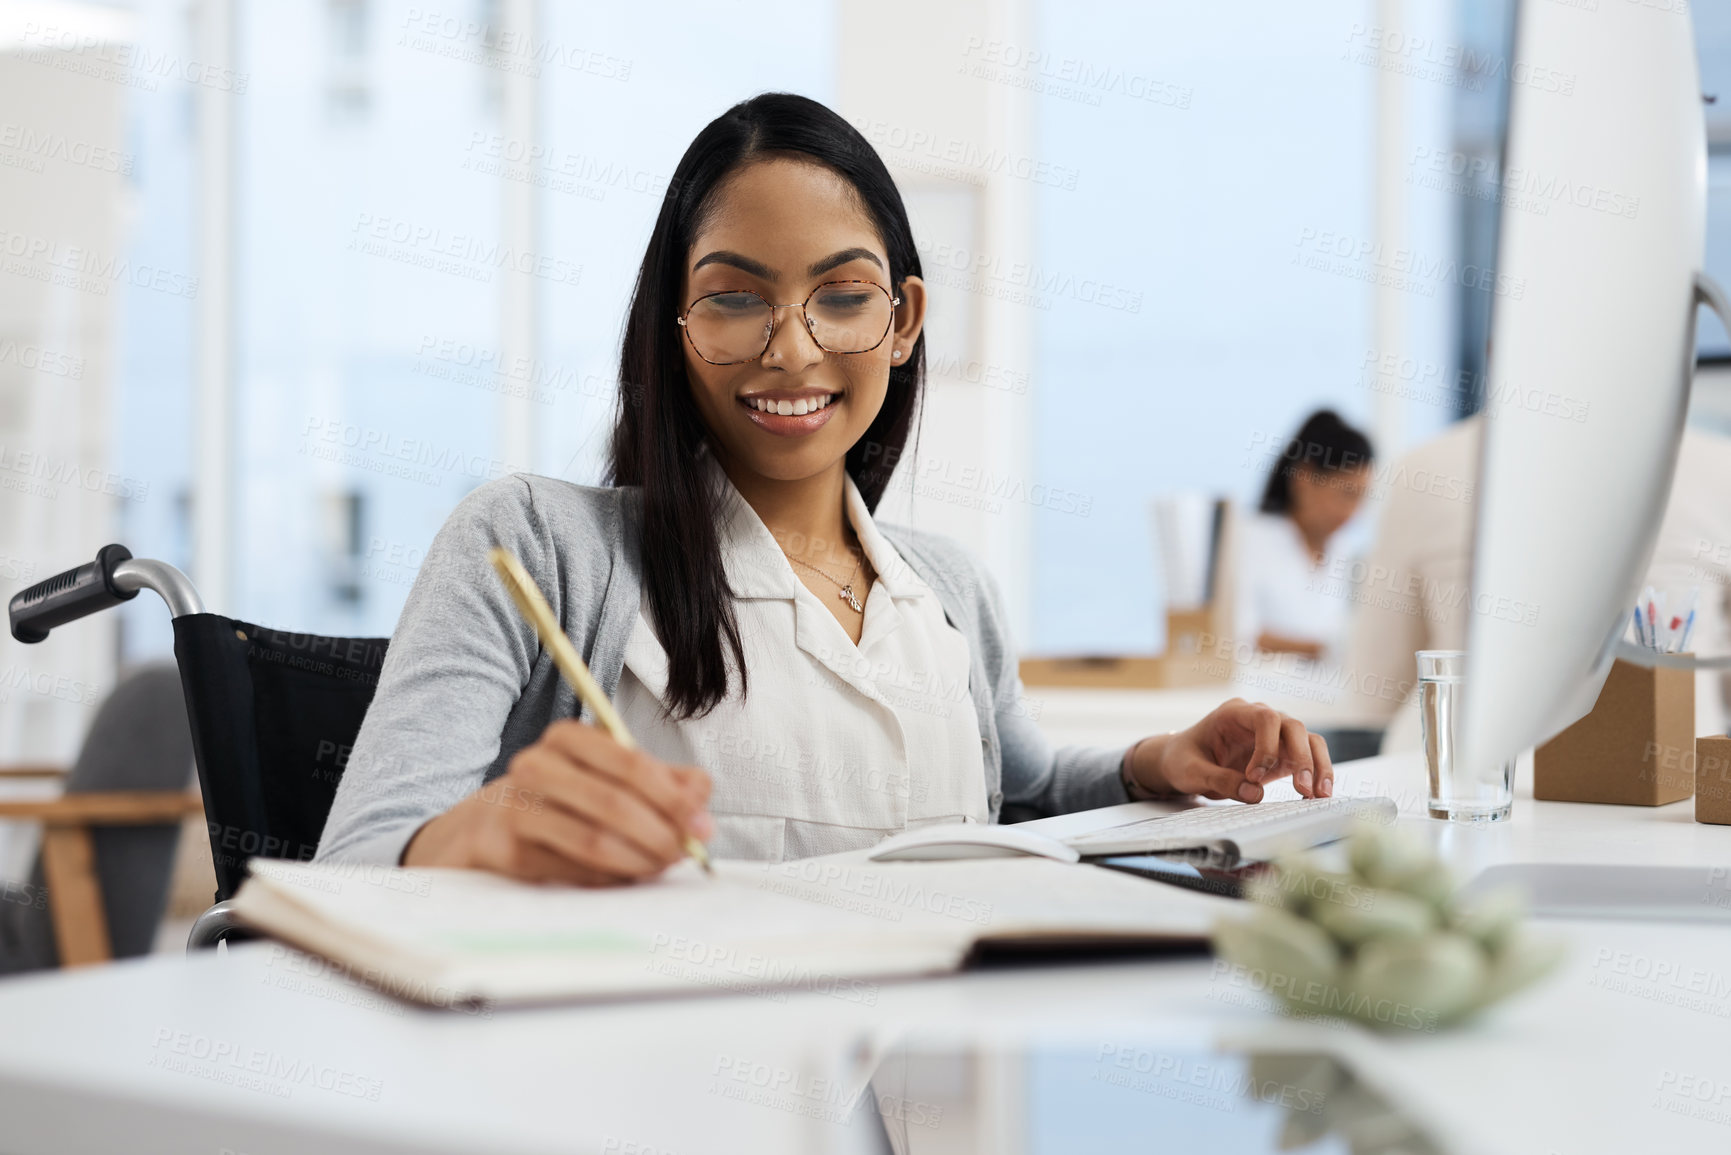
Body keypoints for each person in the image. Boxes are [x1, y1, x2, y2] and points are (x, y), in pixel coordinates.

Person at [314, 93, 1335, 886]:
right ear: (673, 328)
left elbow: (1018, 786)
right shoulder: (536, 544)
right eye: (733, 299)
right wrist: (482, 833)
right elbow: (355, 868)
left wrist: (1156, 764)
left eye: (842, 296)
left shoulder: (949, 587)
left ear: (905, 320)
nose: (791, 349)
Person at [1339, 414, 1731, 749]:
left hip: (1449, 780)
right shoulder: (1718, 465)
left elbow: (1374, 691)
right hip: (1677, 789)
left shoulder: (1424, 468)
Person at [1235, 410, 1374, 663]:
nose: (1352, 512)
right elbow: (1237, 636)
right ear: (1305, 479)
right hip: (1261, 694)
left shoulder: (1342, 550)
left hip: (1327, 696)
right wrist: (1323, 650)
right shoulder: (1248, 539)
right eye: (1346, 495)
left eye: (1361, 498)